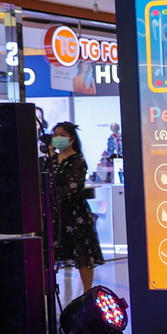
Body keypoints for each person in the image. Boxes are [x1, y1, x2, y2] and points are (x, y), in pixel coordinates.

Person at [47, 121, 104, 294]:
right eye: (55, 135)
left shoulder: (78, 160)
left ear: (72, 138)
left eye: (62, 135)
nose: (58, 138)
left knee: (82, 253)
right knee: (49, 253)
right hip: (53, 213)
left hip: (74, 212)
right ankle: (47, 292)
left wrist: (54, 198)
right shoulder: (50, 160)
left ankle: (87, 292)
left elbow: (72, 186)